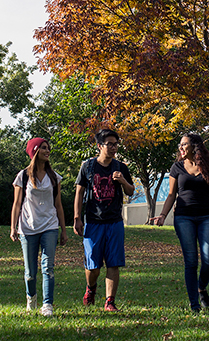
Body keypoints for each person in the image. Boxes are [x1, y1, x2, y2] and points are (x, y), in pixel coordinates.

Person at [151, 133, 209, 312]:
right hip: (184, 217)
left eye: (184, 144)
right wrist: (162, 215)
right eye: (180, 145)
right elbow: (171, 195)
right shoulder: (177, 167)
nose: (181, 148)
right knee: (191, 261)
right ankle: (194, 304)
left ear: (195, 146)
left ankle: (201, 287)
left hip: (207, 216)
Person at [73, 129, 134, 312]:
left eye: (115, 144)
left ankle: (110, 301)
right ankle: (91, 289)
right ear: (100, 146)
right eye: (109, 144)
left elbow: (130, 191)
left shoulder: (121, 167)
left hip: (114, 221)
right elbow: (79, 192)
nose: (113, 147)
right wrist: (77, 217)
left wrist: (123, 181)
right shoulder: (88, 167)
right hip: (93, 221)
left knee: (113, 262)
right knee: (93, 266)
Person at [10, 138, 67, 316]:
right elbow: (17, 204)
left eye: (48, 148)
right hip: (28, 227)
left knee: (48, 266)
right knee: (30, 271)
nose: (47, 151)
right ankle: (31, 297)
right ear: (34, 151)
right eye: (43, 148)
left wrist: (63, 229)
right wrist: (13, 227)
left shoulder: (54, 177)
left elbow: (58, 205)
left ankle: (47, 304)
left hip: (49, 226)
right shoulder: (23, 176)